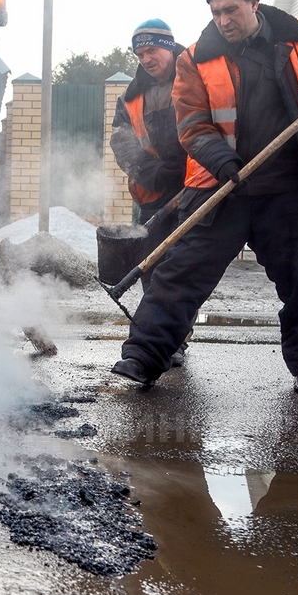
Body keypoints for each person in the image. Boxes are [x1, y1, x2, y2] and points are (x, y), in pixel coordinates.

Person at [111, 0, 298, 394]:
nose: (223, 19)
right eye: (215, 11)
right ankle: (143, 356)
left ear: (253, 4)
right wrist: (220, 158)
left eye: (230, 9)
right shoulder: (195, 60)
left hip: (287, 190)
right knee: (180, 274)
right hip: (224, 188)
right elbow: (192, 124)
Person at [109, 19, 191, 366]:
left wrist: (191, 173)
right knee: (153, 267)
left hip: (196, 188)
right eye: (140, 53)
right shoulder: (131, 97)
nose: (145, 59)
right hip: (154, 192)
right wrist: (154, 172)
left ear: (169, 46)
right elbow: (122, 143)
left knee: (186, 266)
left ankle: (178, 337)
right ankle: (168, 340)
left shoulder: (195, 78)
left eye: (152, 50)